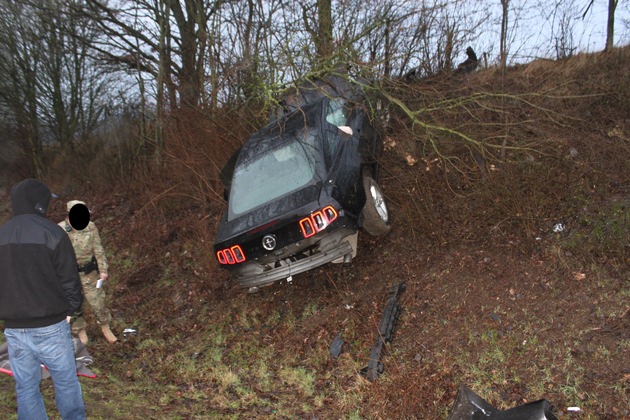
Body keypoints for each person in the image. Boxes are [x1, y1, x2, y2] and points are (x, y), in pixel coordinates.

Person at [0, 178, 87, 419]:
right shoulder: (53, 232)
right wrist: (72, 310)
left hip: (15, 329)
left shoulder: (2, 234)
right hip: (51, 326)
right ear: (40, 203)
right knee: (66, 382)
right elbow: (70, 279)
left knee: (26, 387)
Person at [59, 200, 118, 344]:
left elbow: (98, 248)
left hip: (89, 273)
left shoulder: (90, 227)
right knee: (74, 305)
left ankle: (105, 326)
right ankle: (80, 330)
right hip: (70, 275)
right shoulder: (60, 229)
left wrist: (103, 269)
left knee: (97, 302)